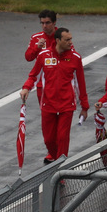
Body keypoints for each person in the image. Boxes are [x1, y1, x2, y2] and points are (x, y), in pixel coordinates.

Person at [20, 27, 90, 163]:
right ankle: (56, 159)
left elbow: (81, 84)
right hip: (48, 104)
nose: (71, 42)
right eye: (67, 40)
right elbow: (34, 76)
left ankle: (60, 169)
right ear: (58, 40)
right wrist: (26, 88)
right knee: (49, 140)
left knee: (63, 138)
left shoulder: (75, 58)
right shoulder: (44, 55)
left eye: (71, 39)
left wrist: (84, 106)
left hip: (66, 105)